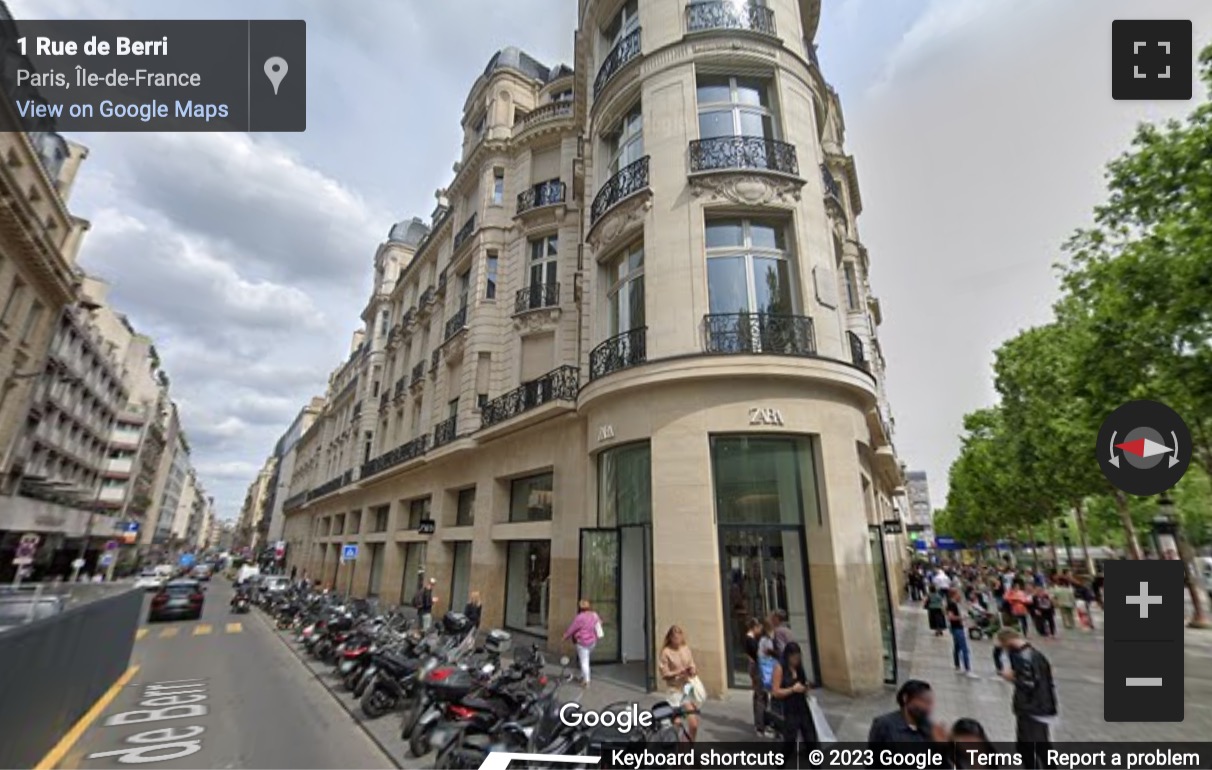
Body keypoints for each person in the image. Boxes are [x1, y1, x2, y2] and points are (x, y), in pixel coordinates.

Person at [997, 628, 1057, 769]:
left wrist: (1011, 677)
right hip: (1041, 706)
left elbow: (1028, 683)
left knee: (1029, 748)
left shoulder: (1024, 657)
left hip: (1032, 708)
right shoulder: (1033, 654)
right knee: (1040, 745)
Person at [867, 680, 946, 751]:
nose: (927, 707)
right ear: (905, 698)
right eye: (923, 701)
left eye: (930, 703)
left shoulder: (931, 729)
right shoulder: (884, 725)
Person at [770, 641, 817, 754]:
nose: (796, 660)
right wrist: (792, 689)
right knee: (789, 742)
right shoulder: (779, 668)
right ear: (788, 656)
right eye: (794, 658)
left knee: (811, 740)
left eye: (798, 657)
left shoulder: (799, 668)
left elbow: (802, 683)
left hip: (802, 707)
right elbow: (775, 692)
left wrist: (806, 687)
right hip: (789, 709)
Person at [658, 625, 701, 742]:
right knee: (676, 724)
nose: (678, 641)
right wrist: (677, 672)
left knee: (694, 724)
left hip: (686, 689)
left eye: (680, 638)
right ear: (670, 638)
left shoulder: (685, 649)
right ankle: (675, 750)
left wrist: (692, 670)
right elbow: (664, 674)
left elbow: (692, 664)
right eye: (675, 638)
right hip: (674, 691)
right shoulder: (666, 652)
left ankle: (688, 748)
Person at [742, 617, 772, 736]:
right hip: (757, 668)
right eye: (759, 628)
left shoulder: (751, 639)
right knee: (761, 696)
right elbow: (758, 655)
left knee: (759, 695)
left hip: (755, 668)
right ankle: (761, 725)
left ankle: (760, 723)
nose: (760, 630)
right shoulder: (751, 640)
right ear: (755, 627)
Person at [563, 599, 602, 687]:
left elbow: (572, 628)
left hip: (582, 642)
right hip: (592, 642)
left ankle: (586, 681)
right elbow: (599, 623)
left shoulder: (580, 617)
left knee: (584, 661)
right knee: (585, 659)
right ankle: (582, 675)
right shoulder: (594, 615)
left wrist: (565, 636)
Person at [947, 588, 977, 677]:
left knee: (957, 647)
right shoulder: (952, 605)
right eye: (959, 594)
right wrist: (962, 617)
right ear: (954, 595)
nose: (960, 596)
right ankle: (967, 669)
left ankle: (957, 666)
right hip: (957, 628)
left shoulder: (954, 604)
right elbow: (950, 617)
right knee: (964, 648)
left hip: (957, 627)